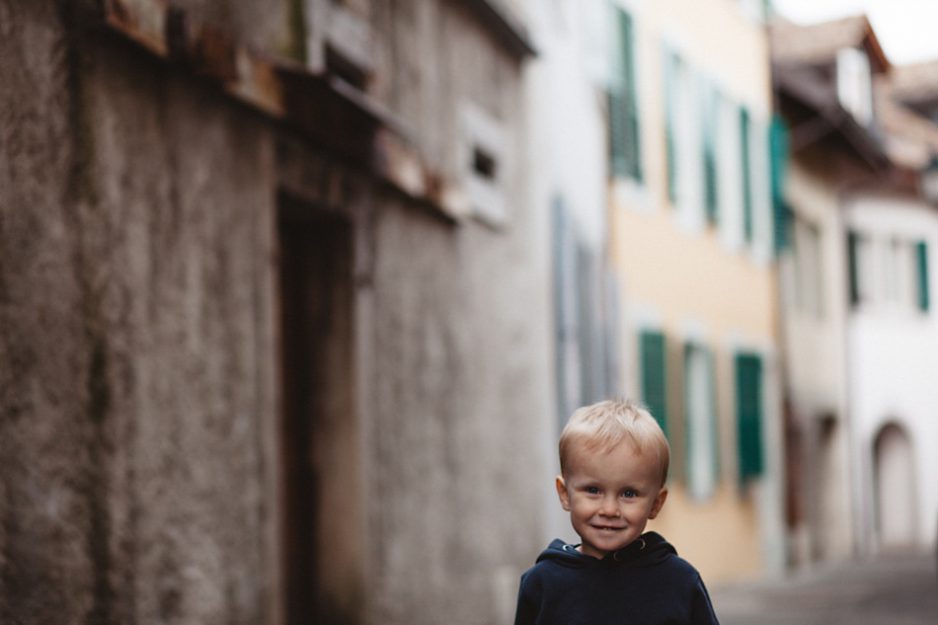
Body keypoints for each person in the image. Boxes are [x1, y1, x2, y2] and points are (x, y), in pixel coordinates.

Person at [513, 399, 720, 625]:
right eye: (593, 490)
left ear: (656, 503)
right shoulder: (542, 584)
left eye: (628, 493)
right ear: (564, 494)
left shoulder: (680, 582)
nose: (610, 510)